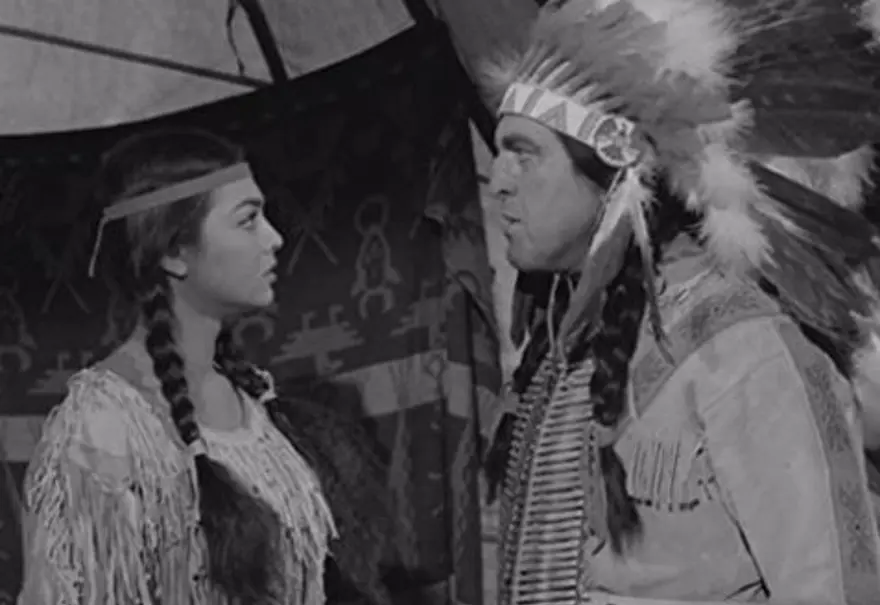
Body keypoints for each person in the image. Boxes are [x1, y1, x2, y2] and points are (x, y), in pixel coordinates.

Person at [481, 1, 880, 604]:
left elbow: (832, 589)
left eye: (524, 153)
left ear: (616, 173)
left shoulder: (747, 352)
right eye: (498, 153)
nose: (499, 180)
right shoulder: (560, 339)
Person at [17, 128, 336, 605]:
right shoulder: (101, 430)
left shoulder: (253, 400)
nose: (275, 238)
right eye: (248, 220)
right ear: (173, 253)